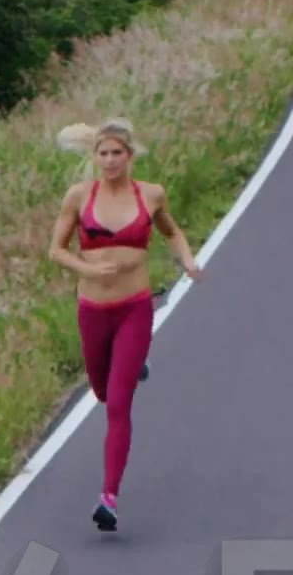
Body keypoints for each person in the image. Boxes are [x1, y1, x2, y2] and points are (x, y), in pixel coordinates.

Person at [45, 117, 201, 533]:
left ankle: (108, 498)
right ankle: (129, 367)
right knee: (100, 389)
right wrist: (87, 269)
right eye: (103, 153)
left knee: (118, 403)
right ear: (94, 157)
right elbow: (56, 251)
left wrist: (186, 260)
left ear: (130, 156)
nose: (110, 160)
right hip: (93, 308)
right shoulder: (79, 197)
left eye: (118, 153)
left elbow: (172, 232)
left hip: (134, 304)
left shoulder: (150, 195)